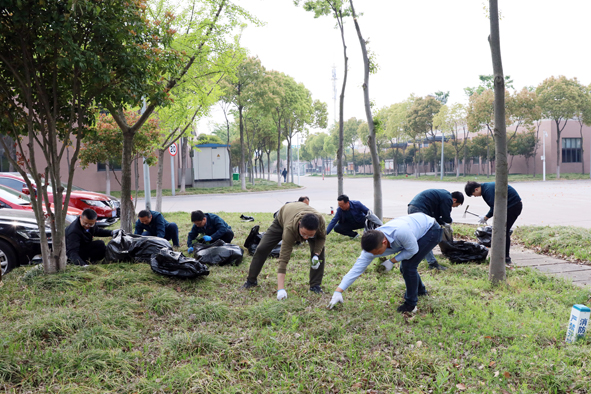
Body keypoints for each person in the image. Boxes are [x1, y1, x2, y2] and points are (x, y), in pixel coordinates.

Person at [328, 213, 443, 313]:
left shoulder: (400, 233)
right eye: (373, 254)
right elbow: (356, 270)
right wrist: (339, 291)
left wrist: (391, 261)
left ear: (384, 242)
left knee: (408, 266)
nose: (375, 255)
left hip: (430, 229)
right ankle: (421, 291)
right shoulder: (370, 249)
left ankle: (411, 304)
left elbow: (413, 250)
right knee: (407, 266)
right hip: (413, 230)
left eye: (377, 253)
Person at [241, 202, 327, 297]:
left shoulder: (321, 222)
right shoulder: (290, 228)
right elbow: (284, 257)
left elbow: (321, 238)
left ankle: (315, 285)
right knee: (262, 248)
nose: (306, 238)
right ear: (299, 225)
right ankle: (251, 280)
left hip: (301, 214)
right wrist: (280, 289)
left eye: (310, 235)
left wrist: (316, 254)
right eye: (303, 234)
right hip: (282, 218)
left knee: (320, 252)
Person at [465, 181, 522, 265]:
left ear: (476, 189)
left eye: (473, 194)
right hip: (508, 207)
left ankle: (506, 258)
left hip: (513, 207)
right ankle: (500, 254)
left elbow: (495, 206)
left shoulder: (487, 191)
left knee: (504, 231)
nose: (475, 196)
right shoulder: (486, 188)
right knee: (500, 230)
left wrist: (486, 217)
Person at [407, 189, 464, 270]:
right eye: (457, 205)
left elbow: (436, 216)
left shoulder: (443, 196)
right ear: (454, 200)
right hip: (419, 210)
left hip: (413, 207)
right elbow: (446, 216)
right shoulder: (448, 199)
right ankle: (432, 263)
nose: (454, 207)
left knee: (422, 236)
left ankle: (421, 256)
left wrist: (443, 223)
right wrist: (449, 222)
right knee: (427, 237)